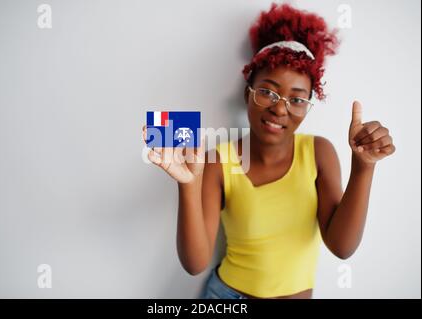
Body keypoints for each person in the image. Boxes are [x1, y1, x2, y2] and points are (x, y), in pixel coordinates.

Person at [142, 3, 395, 299]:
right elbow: (195, 263)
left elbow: (342, 247)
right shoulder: (216, 160)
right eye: (267, 92)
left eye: (297, 99)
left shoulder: (319, 153)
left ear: (308, 106)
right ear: (247, 92)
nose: (279, 108)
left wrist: (364, 168)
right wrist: (187, 184)